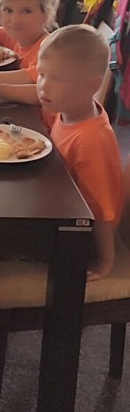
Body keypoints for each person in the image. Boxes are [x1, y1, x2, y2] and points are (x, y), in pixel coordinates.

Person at [37, 25, 124, 279]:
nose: (43, 86)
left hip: (77, 237)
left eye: (57, 79)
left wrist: (104, 261)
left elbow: (101, 211)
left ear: (91, 85)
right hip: (58, 205)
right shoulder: (68, 110)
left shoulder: (91, 140)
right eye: (41, 74)